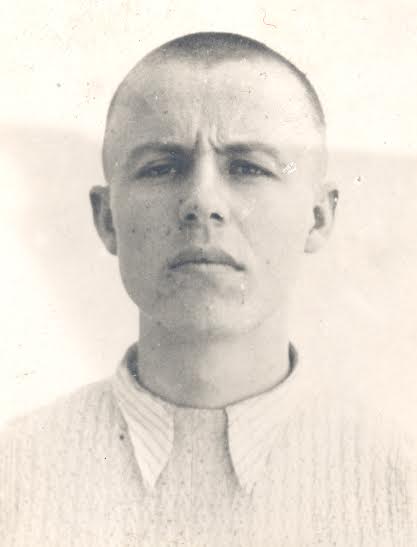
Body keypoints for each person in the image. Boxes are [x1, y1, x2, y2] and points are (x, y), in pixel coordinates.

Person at [0, 32, 415, 546]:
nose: (202, 201)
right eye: (161, 167)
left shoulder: (401, 484)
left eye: (247, 167)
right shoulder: (14, 475)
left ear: (318, 216)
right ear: (107, 219)